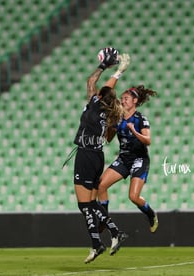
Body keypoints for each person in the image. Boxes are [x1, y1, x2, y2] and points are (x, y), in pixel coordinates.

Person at [72, 48, 130, 263]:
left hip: (86, 156)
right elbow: (109, 139)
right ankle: (97, 243)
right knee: (89, 203)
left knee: (84, 204)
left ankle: (113, 233)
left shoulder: (96, 104)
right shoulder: (111, 114)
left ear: (100, 96)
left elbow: (90, 82)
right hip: (98, 156)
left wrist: (107, 66)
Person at [98, 85, 159, 233]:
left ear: (135, 101)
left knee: (133, 196)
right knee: (101, 185)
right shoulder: (117, 118)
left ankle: (151, 214)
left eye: (126, 98)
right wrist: (110, 128)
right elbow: (109, 139)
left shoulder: (140, 119)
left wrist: (133, 130)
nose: (123, 101)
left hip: (139, 159)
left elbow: (148, 140)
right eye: (122, 98)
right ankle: (104, 220)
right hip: (124, 159)